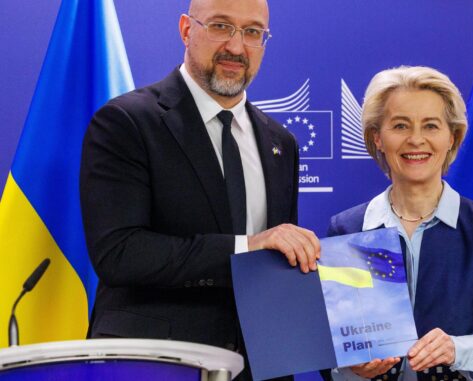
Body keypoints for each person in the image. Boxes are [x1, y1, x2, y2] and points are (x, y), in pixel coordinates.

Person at [80, 0, 319, 380]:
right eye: (221, 26)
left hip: (258, 369)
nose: (237, 48)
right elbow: (120, 253)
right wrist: (247, 246)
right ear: (186, 29)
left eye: (253, 32)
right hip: (154, 366)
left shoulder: (281, 143)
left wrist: (344, 351)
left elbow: (279, 267)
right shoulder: (126, 122)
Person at [327, 66, 473, 381]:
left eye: (431, 126)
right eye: (400, 126)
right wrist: (351, 368)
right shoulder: (347, 228)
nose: (416, 140)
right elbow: (331, 348)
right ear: (378, 138)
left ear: (452, 137)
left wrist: (456, 348)